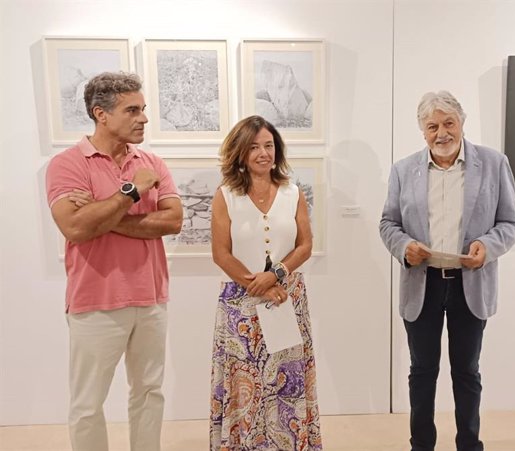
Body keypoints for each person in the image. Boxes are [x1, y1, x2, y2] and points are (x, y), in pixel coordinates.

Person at [45, 72, 183, 451]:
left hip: (152, 299)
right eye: (132, 110)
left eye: (144, 109)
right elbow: (75, 227)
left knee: (149, 393)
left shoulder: (151, 161)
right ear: (100, 113)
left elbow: (172, 221)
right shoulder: (68, 164)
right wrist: (131, 191)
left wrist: (102, 215)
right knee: (88, 403)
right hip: (95, 302)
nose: (143, 119)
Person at [380, 91, 515, 451]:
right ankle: (422, 446)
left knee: (467, 373)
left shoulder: (493, 163)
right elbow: (388, 223)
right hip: (422, 284)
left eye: (448, 123)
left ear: (461, 123)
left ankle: (470, 445)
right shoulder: (403, 169)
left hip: (469, 285)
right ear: (422, 131)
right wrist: (403, 248)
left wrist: (487, 248)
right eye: (432, 127)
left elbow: (512, 222)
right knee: (422, 373)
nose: (441, 133)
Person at [209, 115, 322, 450]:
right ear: (241, 153)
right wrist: (254, 283)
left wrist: (276, 276)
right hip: (239, 306)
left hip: (287, 299)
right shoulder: (226, 195)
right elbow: (220, 253)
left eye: (269, 145)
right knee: (245, 381)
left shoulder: (292, 192)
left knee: (287, 383)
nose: (263, 153)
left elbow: (305, 245)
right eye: (254, 146)